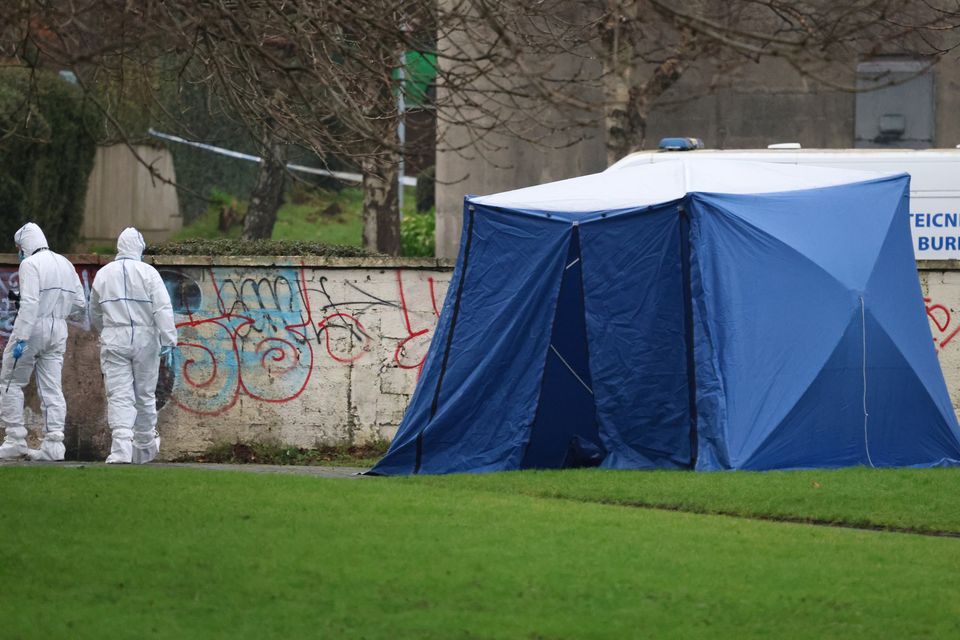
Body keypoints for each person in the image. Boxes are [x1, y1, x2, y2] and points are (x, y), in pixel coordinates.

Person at [89, 227, 177, 464]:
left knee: (119, 394)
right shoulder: (148, 273)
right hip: (146, 338)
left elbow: (94, 312)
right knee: (145, 394)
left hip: (114, 338)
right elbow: (162, 308)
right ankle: (145, 447)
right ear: (139, 248)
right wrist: (169, 340)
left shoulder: (104, 274)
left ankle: (120, 450)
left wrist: (106, 330)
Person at [0, 223, 86, 461]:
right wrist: (58, 312)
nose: (19, 252)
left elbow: (29, 303)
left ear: (25, 244)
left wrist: (21, 338)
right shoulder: (65, 263)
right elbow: (80, 304)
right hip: (58, 329)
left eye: (19, 247)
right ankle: (54, 445)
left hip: (33, 327)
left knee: (10, 381)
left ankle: (15, 439)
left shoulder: (29, 264)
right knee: (51, 387)